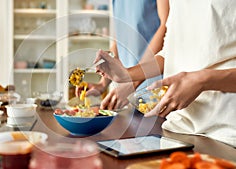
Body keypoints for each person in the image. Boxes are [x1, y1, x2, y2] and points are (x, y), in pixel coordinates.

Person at [95, 1, 236, 147]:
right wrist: (127, 74)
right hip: (177, 129)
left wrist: (202, 80)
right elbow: (170, 51)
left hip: (225, 133)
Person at [76, 0, 169, 110]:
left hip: (156, 91)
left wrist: (132, 84)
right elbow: (120, 39)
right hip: (130, 95)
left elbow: (166, 27)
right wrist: (102, 84)